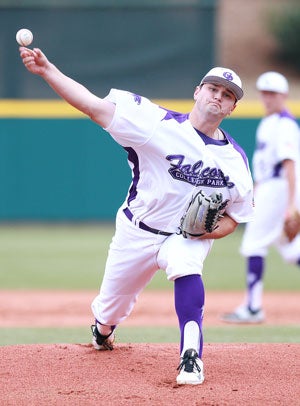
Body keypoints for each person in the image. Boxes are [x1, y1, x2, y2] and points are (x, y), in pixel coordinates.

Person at [19, 45, 254, 385]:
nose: (219, 96)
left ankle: (192, 357)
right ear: (197, 92)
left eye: (228, 95)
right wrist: (48, 70)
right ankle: (103, 330)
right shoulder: (155, 124)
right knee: (109, 309)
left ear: (232, 108)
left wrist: (209, 232)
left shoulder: (235, 161)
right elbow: (92, 106)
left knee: (186, 263)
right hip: (137, 231)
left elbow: (236, 217)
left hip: (183, 237)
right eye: (213, 88)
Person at [222, 71, 300, 324]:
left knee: (254, 244)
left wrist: (291, 205)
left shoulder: (285, 124)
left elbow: (290, 165)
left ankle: (253, 308)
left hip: (278, 189)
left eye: (273, 93)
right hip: (268, 187)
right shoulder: (268, 122)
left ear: (284, 96)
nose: (267, 98)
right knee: (290, 251)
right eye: (264, 93)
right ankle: (253, 307)